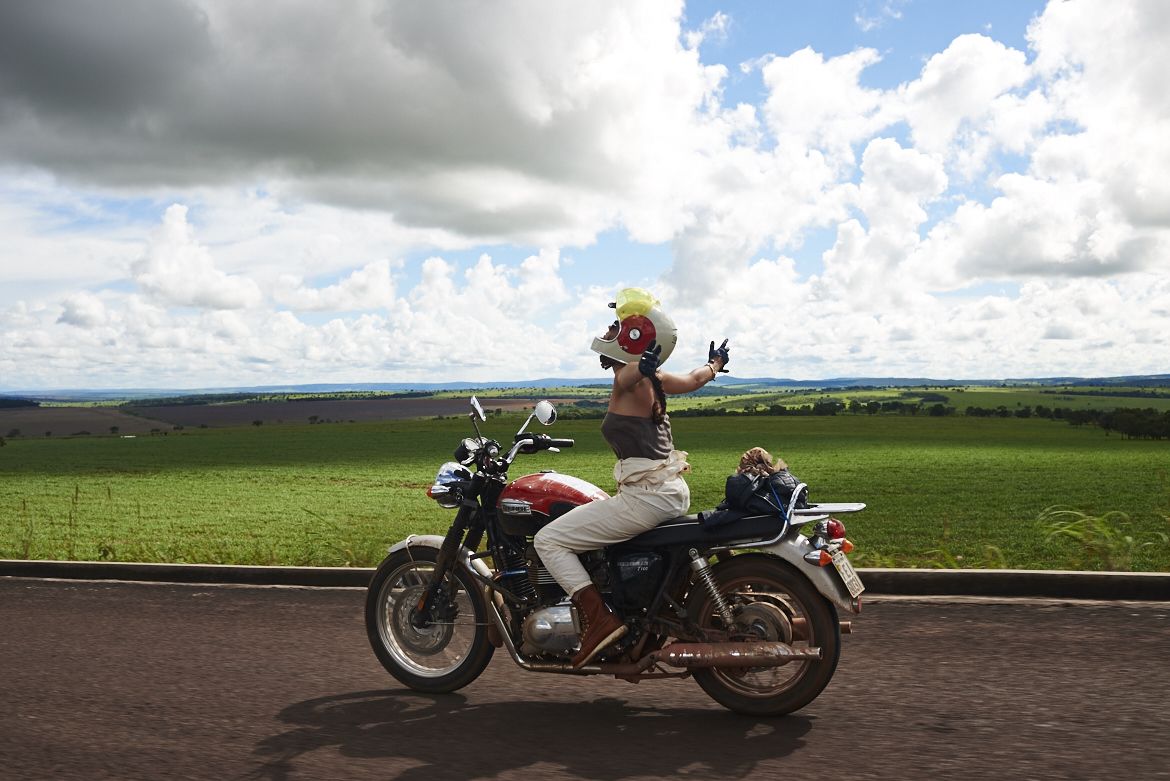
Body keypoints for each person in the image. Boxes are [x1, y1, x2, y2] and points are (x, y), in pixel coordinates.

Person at [533, 288, 730, 667]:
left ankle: (599, 620)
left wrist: (639, 364)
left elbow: (627, 378)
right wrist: (716, 364)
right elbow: (692, 379)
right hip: (669, 491)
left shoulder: (634, 377)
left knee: (549, 540)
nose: (607, 333)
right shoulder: (653, 378)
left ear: (634, 336)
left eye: (616, 327)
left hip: (647, 497)